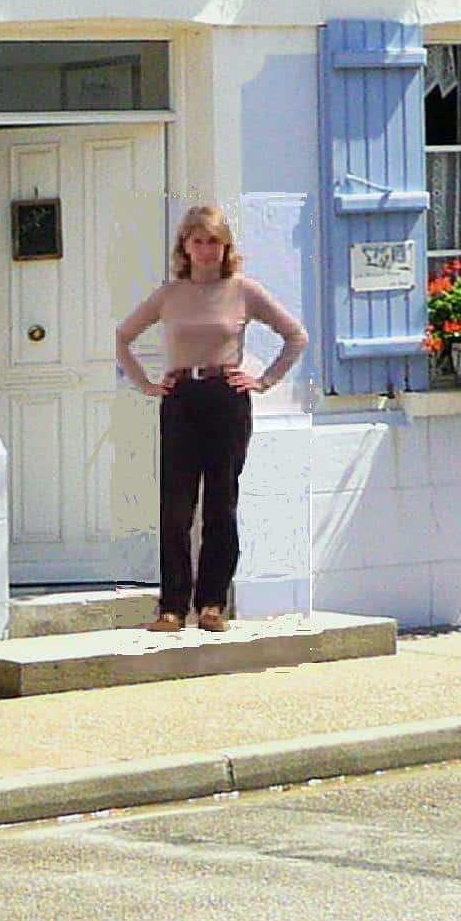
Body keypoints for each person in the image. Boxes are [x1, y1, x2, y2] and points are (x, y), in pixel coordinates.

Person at [113, 204, 307, 635]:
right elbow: (124, 336)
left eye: (213, 241)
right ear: (184, 245)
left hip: (226, 398)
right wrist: (145, 384)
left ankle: (213, 603)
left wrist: (263, 380)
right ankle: (172, 607)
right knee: (177, 506)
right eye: (197, 241)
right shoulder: (169, 294)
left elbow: (296, 335)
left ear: (226, 247)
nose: (205, 250)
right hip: (182, 398)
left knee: (222, 503)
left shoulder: (244, 290)